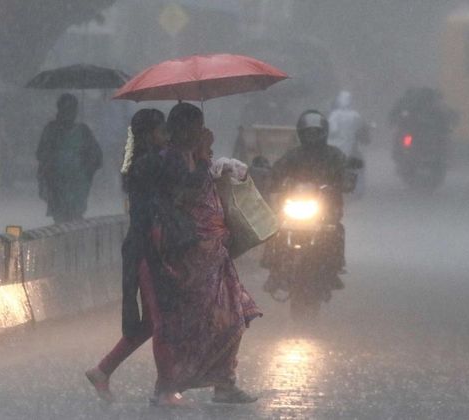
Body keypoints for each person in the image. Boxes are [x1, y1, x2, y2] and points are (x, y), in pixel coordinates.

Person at [156, 102, 261, 405]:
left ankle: (224, 383)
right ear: (180, 129)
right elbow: (187, 191)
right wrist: (203, 158)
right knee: (198, 322)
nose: (200, 131)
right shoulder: (171, 159)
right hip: (192, 254)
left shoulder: (195, 156)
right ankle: (171, 383)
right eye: (194, 126)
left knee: (233, 317)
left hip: (216, 252)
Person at [85, 109, 171, 403]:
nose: (167, 137)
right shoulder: (148, 165)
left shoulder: (146, 163)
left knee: (149, 323)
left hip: (147, 247)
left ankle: (103, 370)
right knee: (160, 322)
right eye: (163, 131)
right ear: (149, 135)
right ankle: (165, 389)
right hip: (146, 249)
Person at [264, 110, 347, 290]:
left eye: (316, 133)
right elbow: (277, 171)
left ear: (323, 133)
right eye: (308, 133)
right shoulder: (293, 155)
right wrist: (270, 179)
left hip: (326, 209)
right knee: (274, 229)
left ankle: (334, 269)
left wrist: (345, 182)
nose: (312, 137)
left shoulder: (334, 156)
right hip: (294, 206)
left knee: (336, 231)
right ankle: (273, 269)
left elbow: (346, 175)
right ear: (301, 133)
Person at [36, 93, 102, 223]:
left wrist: (85, 169)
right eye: (66, 109)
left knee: (71, 218)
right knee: (63, 218)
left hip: (76, 185)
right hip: (58, 184)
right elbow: (41, 154)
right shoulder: (52, 130)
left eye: (72, 109)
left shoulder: (83, 131)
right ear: (59, 109)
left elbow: (96, 157)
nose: (69, 113)